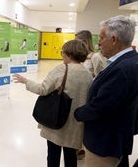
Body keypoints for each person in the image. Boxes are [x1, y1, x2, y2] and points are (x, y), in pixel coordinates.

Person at [13, 39, 93, 167]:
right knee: (70, 157)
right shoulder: (88, 75)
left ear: (68, 54)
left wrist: (26, 81)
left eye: (63, 52)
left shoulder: (62, 69)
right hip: (76, 124)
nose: (62, 55)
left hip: (57, 121)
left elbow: (42, 89)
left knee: (53, 155)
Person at [74, 15, 138, 167]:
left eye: (101, 38)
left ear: (114, 39)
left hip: (105, 143)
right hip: (117, 137)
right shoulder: (130, 61)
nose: (98, 43)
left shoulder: (123, 69)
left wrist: (76, 113)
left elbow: (102, 106)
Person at [74, 30, 107, 160]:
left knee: (84, 121)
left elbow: (101, 77)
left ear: (86, 41)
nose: (77, 43)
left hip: (89, 94)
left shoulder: (95, 57)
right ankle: (76, 145)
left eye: (79, 40)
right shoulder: (78, 56)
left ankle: (82, 148)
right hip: (77, 92)